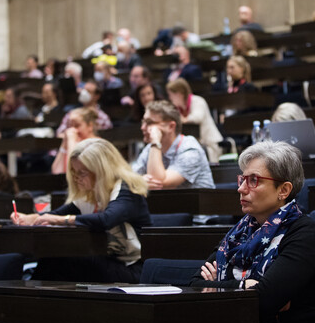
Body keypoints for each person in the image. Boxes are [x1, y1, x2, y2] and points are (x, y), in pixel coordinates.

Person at [189, 141, 315, 323]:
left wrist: (217, 285)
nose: (241, 188)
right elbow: (195, 285)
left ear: (283, 190)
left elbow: (264, 300)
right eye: (242, 179)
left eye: (254, 180)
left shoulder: (305, 233)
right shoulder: (240, 232)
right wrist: (244, 286)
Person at [12, 138, 152, 283]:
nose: (77, 178)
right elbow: (55, 215)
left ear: (102, 171)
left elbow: (106, 219)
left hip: (134, 269)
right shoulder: (92, 194)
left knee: (64, 257)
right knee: (55, 255)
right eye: (74, 172)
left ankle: (31, 294)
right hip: (108, 262)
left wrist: (63, 220)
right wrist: (30, 218)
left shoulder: (126, 190)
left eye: (82, 173)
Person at [132, 100, 215, 190]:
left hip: (199, 203)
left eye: (149, 122)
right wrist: (140, 180)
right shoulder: (150, 149)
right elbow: (128, 179)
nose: (143, 127)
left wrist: (155, 142)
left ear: (171, 126)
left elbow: (158, 184)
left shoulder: (190, 149)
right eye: (143, 122)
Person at [167, 78, 223, 163]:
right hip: (196, 145)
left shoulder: (197, 100)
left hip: (210, 143)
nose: (170, 98)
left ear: (180, 94)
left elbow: (197, 117)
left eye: (171, 95)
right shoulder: (178, 108)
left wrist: (182, 119)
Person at [51, 108, 99, 174]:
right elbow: (56, 172)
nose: (72, 130)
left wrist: (71, 141)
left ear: (90, 126)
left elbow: (74, 172)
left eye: (77, 125)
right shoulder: (71, 143)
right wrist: (64, 144)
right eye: (69, 125)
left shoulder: (97, 144)